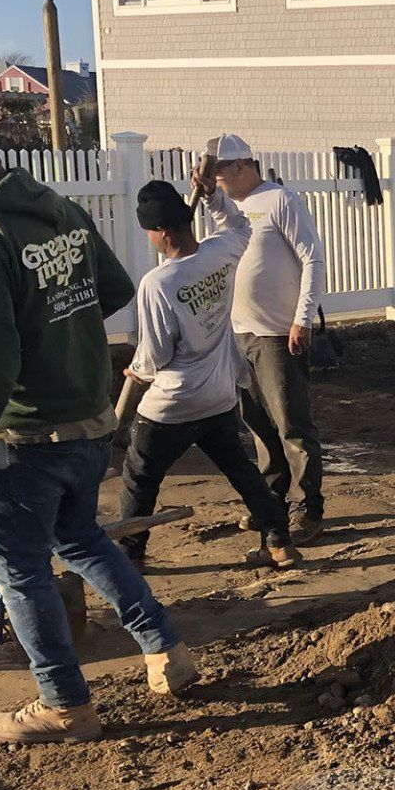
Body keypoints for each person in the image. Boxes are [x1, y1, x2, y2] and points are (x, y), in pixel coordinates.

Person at [0, 97, 196, 745]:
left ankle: (64, 703)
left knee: (19, 573)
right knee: (82, 539)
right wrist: (57, 321)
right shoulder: (59, 212)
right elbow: (114, 290)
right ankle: (164, 648)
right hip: (90, 424)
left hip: (21, 441)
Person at [117, 173, 299, 572]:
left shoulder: (158, 283)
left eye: (149, 231)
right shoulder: (221, 252)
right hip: (218, 393)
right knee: (240, 468)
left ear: (161, 231)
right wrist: (215, 196)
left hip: (174, 404)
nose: (149, 238)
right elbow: (240, 225)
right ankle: (279, 540)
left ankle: (131, 553)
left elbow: (156, 355)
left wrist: (133, 375)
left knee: (139, 474)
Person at [209, 134, 328, 542]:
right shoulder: (235, 208)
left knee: (291, 423)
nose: (216, 178)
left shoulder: (280, 201)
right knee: (257, 424)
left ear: (241, 165)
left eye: (219, 170)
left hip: (278, 333)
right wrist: (208, 195)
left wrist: (303, 318)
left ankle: (306, 507)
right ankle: (271, 502)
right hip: (240, 334)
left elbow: (311, 256)